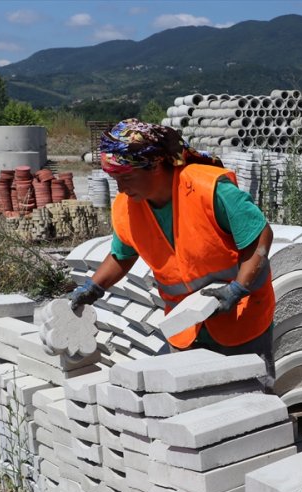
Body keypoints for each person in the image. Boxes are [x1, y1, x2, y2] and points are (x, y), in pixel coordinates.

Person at [70, 119, 276, 383]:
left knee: (251, 404)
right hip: (185, 326)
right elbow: (122, 255)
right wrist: (93, 287)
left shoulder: (208, 189)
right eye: (114, 179)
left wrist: (238, 288)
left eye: (126, 177)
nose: (120, 188)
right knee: (191, 406)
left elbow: (259, 236)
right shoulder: (127, 206)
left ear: (154, 165)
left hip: (240, 316)